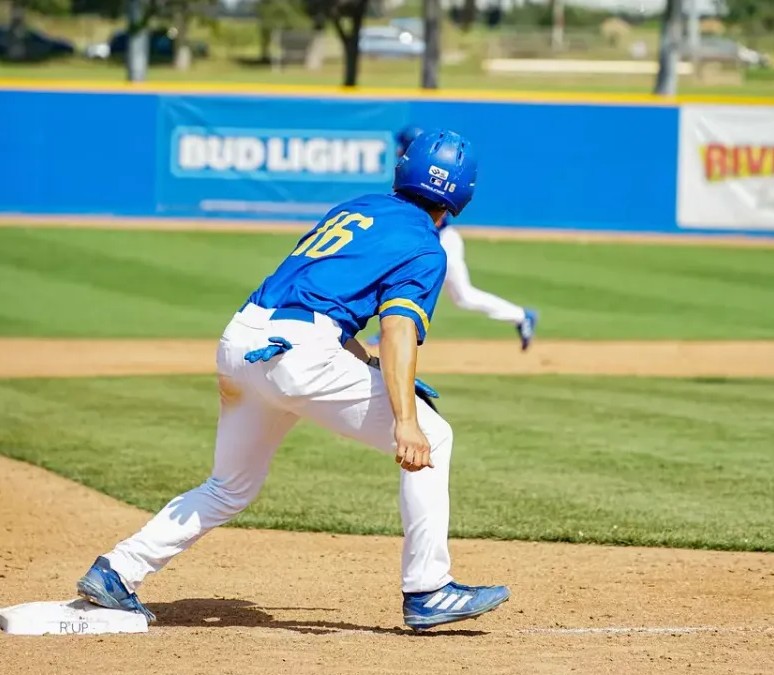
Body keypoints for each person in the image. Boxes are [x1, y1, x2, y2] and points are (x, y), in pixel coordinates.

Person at [75, 129, 510, 631]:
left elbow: (315, 294)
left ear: (403, 168)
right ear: (462, 195)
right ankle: (428, 589)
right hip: (300, 357)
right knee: (433, 435)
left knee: (229, 487)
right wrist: (406, 421)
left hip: (243, 341)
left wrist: (357, 361)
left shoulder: (357, 209)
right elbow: (397, 330)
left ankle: (117, 572)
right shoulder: (425, 247)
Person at [367, 125, 538, 352]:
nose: (399, 152)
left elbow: (433, 220)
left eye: (402, 147)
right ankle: (391, 326)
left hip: (442, 240)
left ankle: (521, 316)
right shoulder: (419, 168)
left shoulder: (428, 171)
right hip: (430, 238)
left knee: (462, 296)